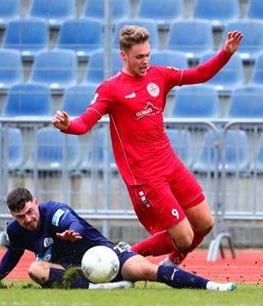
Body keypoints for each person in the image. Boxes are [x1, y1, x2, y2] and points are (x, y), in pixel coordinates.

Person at [52, 25, 243, 267]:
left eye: (148, 55)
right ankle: (125, 256)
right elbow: (85, 123)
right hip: (146, 176)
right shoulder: (111, 89)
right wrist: (68, 124)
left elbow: (199, 74)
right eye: (139, 57)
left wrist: (226, 52)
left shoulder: (159, 75)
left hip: (170, 164)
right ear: (124, 55)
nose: (145, 61)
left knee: (205, 223)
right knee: (184, 237)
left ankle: (170, 264)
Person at [0, 187, 236, 291]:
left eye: (29, 212)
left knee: (146, 269)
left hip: (108, 258)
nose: (27, 219)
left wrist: (70, 232)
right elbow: (13, 253)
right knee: (35, 269)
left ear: (36, 203)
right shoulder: (15, 230)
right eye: (20, 216)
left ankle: (212, 286)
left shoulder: (54, 212)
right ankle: (101, 289)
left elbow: (72, 221)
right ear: (13, 216)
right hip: (74, 273)